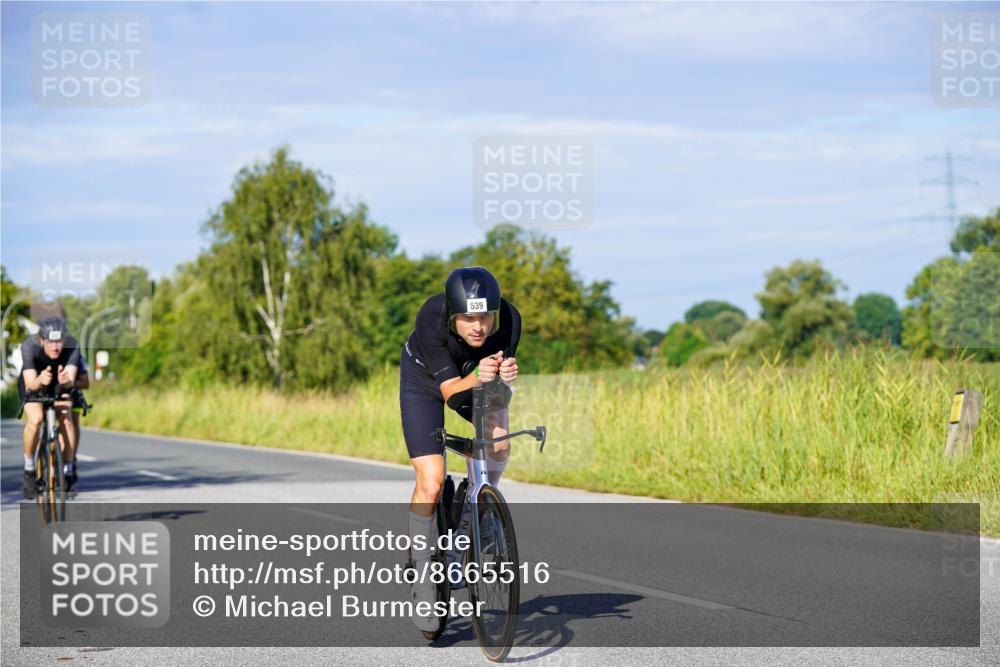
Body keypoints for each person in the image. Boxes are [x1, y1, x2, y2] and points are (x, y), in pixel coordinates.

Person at [399, 266, 520, 632]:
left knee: (497, 441)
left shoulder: (510, 321)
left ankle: (482, 508)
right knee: (433, 481)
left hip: (477, 375)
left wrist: (505, 375)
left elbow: (495, 387)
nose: (479, 327)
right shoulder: (430, 320)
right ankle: (423, 572)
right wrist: (482, 375)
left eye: (485, 316)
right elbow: (451, 394)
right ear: (452, 315)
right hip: (426, 381)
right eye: (468, 318)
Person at [18, 316, 81, 498]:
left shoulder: (72, 346)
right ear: (41, 340)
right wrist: (40, 380)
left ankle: (67, 471)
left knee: (67, 418)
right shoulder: (29, 346)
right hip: (34, 382)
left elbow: (70, 380)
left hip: (59, 383)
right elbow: (30, 383)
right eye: (50, 342)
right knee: (36, 419)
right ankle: (29, 469)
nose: (55, 347)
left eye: (59, 341)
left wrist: (66, 381)